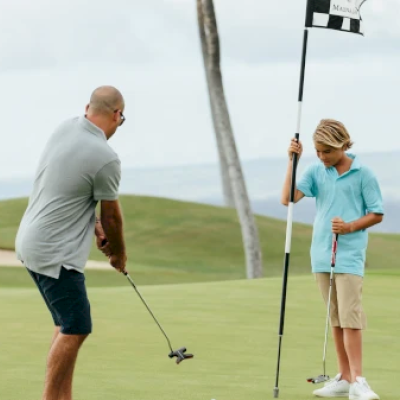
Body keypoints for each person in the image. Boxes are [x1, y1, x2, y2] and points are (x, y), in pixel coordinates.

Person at [15, 85, 128, 400]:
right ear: (117, 115)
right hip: (54, 251)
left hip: (31, 241)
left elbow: (69, 189)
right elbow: (113, 219)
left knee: (66, 323)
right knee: (76, 326)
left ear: (88, 107)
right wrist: (118, 255)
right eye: (123, 118)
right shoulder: (106, 157)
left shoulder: (66, 128)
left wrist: (92, 224)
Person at [281, 119, 384, 400]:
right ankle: (344, 377)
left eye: (326, 151)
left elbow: (377, 213)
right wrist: (294, 160)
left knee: (350, 318)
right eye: (317, 151)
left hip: (349, 255)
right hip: (321, 254)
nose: (321, 156)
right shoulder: (316, 171)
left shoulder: (364, 174)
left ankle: (359, 380)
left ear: (342, 145)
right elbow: (288, 198)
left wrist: (350, 226)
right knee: (336, 319)